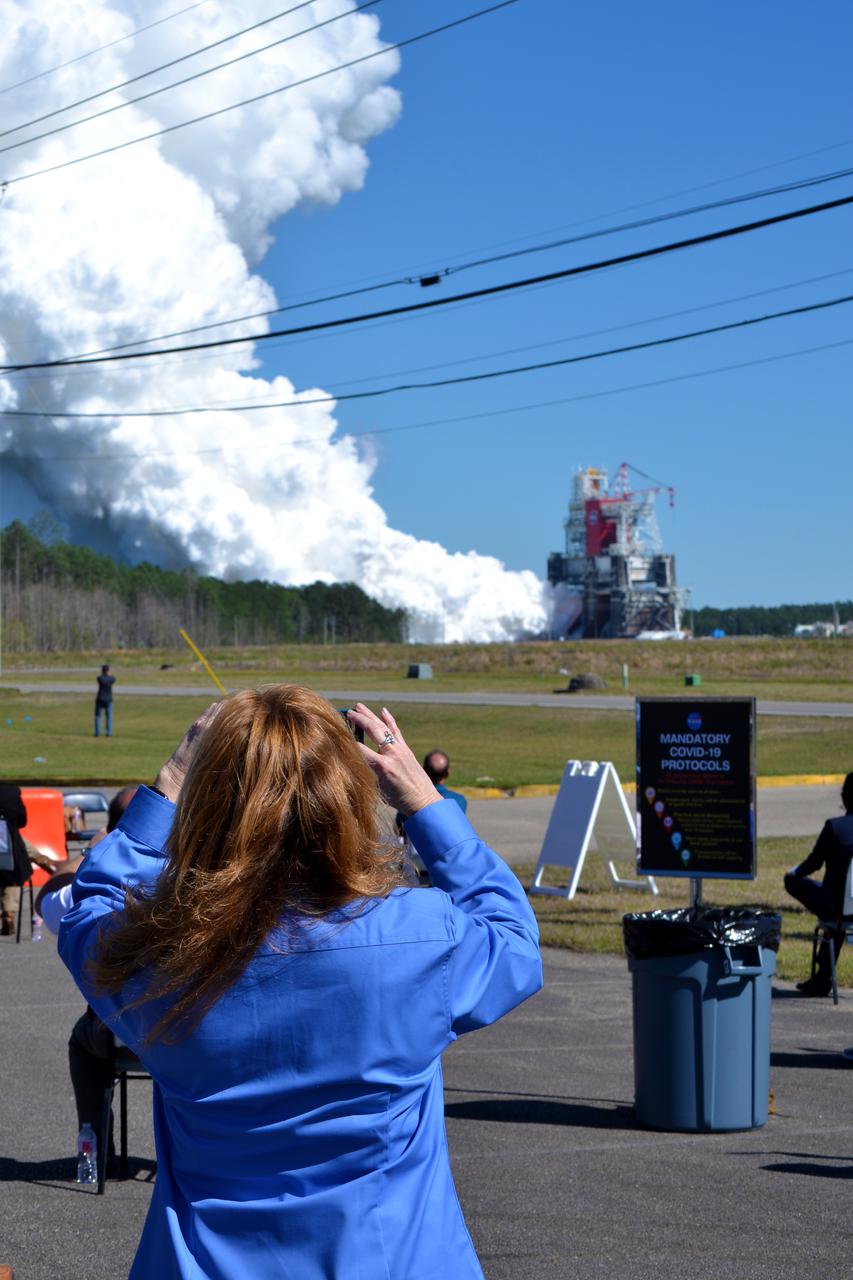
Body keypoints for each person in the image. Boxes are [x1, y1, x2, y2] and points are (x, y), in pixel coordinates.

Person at [58, 688, 542, 1279]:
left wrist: (173, 779)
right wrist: (424, 801)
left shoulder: (160, 952)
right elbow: (514, 939)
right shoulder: (419, 937)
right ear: (342, 801)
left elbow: (89, 911)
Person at [38, 786, 139, 1160]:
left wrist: (90, 854)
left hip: (118, 1031)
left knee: (83, 1041)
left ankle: (95, 1149)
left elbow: (47, 901)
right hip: (186, 1031)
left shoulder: (96, 881)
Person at [784, 772, 853, 996]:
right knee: (839, 911)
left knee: (830, 911)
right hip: (844, 906)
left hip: (835, 906)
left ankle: (822, 979)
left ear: (844, 798)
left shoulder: (835, 828)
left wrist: (794, 873)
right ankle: (822, 978)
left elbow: (813, 864)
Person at [0, 783, 63, 936]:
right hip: (10, 850)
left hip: (9, 845)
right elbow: (22, 821)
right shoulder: (11, 792)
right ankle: (9, 914)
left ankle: (42, 860)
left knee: (17, 844)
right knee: (13, 875)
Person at [94, 663, 116, 737]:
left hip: (100, 698)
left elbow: (99, 678)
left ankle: (98, 733)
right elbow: (113, 678)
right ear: (108, 670)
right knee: (109, 717)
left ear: (102, 671)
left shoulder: (100, 678)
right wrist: (109, 674)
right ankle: (108, 733)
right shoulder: (111, 678)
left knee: (98, 716)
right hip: (108, 699)